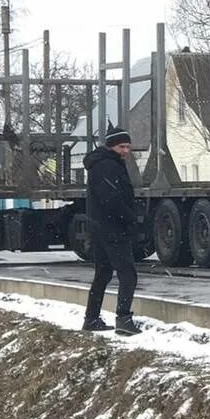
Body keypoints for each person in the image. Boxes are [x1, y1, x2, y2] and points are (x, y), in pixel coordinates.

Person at [82, 125, 141, 336]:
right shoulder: (108, 166)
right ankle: (124, 320)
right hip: (112, 228)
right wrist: (130, 218)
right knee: (128, 274)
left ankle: (91, 318)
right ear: (111, 146)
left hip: (99, 227)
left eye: (128, 147)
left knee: (103, 273)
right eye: (121, 146)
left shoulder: (100, 163)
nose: (126, 151)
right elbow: (112, 199)